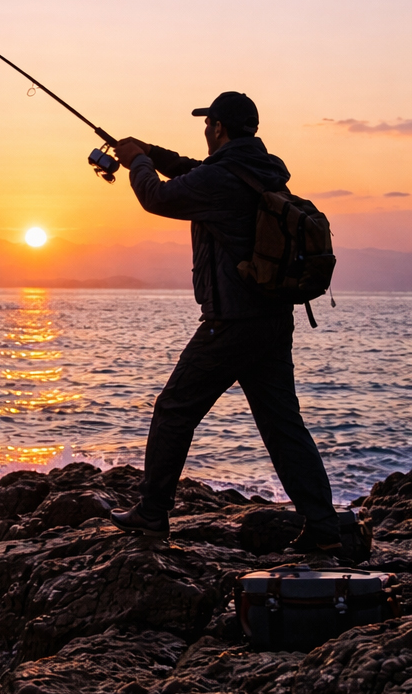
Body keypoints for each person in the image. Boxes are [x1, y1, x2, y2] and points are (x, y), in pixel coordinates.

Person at [109, 90, 341, 553]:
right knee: (283, 424)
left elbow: (157, 196)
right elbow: (194, 170)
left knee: (175, 409)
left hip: (231, 321)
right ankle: (323, 528)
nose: (204, 130)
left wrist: (137, 164)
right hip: (272, 320)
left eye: (207, 123)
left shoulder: (220, 178)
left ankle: (152, 513)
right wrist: (149, 152)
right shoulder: (260, 170)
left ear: (218, 127)